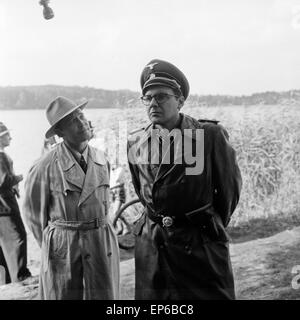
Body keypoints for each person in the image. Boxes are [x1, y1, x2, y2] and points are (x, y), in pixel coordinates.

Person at [127, 59, 242, 300]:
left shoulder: (207, 136)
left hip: (198, 243)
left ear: (179, 101)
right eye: (147, 98)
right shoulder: (135, 142)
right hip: (154, 244)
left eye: (161, 96)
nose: (153, 103)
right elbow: (144, 191)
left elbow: (228, 192)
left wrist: (205, 224)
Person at [23, 96, 120, 300]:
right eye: (73, 121)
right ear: (59, 132)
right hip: (64, 247)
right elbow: (33, 216)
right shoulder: (44, 166)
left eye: (81, 116)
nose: (82, 123)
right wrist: (56, 246)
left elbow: (105, 205)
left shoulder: (102, 159)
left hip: (101, 243)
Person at [0, 122, 32, 284]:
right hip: (5, 206)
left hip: (3, 207)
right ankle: (20, 276)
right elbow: (3, 180)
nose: (10, 137)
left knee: (5, 242)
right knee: (17, 238)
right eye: (6, 135)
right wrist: (19, 177)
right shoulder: (0, 156)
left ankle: (7, 279)